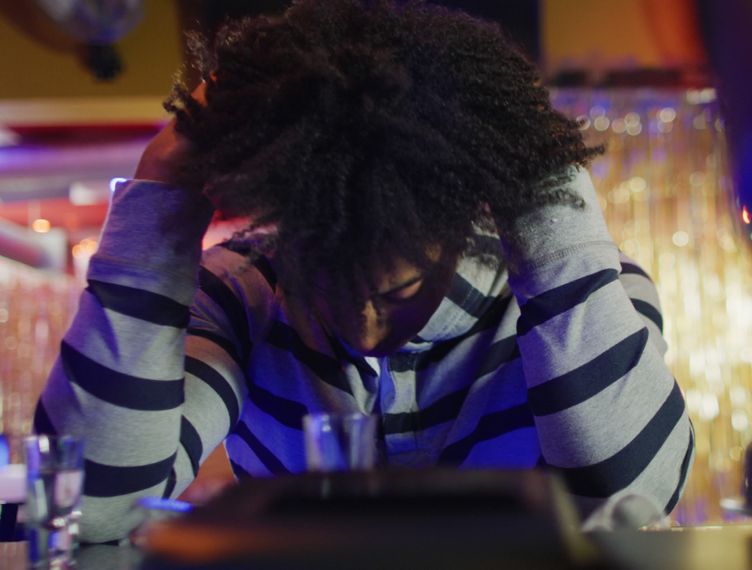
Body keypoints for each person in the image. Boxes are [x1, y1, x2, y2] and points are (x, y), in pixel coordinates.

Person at [35, 0, 694, 543]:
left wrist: (550, 188)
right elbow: (90, 509)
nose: (363, 327)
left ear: (457, 224)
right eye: (323, 285)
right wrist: (158, 192)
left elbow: (630, 508)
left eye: (398, 292)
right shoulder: (240, 291)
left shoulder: (571, 291)